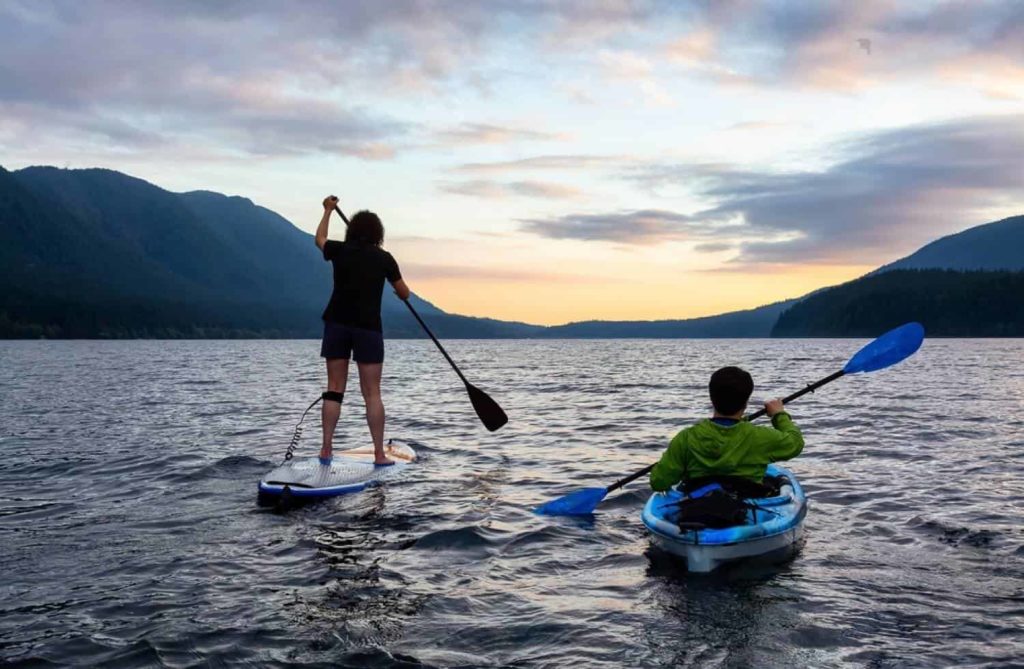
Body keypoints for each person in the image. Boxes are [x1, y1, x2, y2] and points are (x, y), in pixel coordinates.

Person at [314, 195, 410, 467]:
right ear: (378, 234)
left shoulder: (340, 250)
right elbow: (404, 293)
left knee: (334, 389)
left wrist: (327, 211)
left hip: (337, 323)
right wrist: (396, 287)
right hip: (368, 328)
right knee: (372, 393)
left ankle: (326, 449)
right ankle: (380, 455)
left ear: (352, 231)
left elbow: (319, 239)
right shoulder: (384, 259)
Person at [650, 366, 804, 493]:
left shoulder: (686, 438)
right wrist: (778, 415)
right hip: (748, 508)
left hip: (696, 510)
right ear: (746, 402)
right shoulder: (761, 437)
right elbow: (795, 443)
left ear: (711, 398)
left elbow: (658, 482)